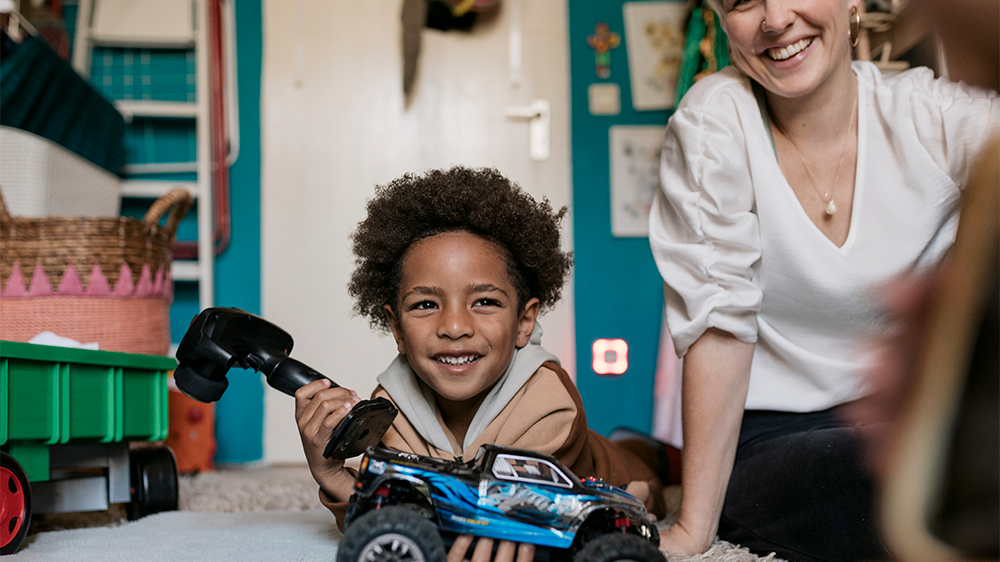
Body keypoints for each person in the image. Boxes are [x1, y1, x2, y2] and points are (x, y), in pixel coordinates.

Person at [648, 0, 1000, 560]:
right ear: (720, 18)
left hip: (910, 417)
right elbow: (719, 328)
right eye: (743, 1)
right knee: (886, 473)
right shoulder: (715, 119)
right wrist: (693, 529)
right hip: (775, 438)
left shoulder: (930, 113)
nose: (775, 18)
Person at [296, 166, 675, 561]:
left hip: (621, 467)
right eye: (426, 304)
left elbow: (514, 515)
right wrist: (332, 474)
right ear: (396, 327)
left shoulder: (550, 404)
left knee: (652, 468)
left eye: (485, 302)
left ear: (524, 322)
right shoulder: (389, 412)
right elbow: (391, 513)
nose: (455, 326)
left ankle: (654, 450)